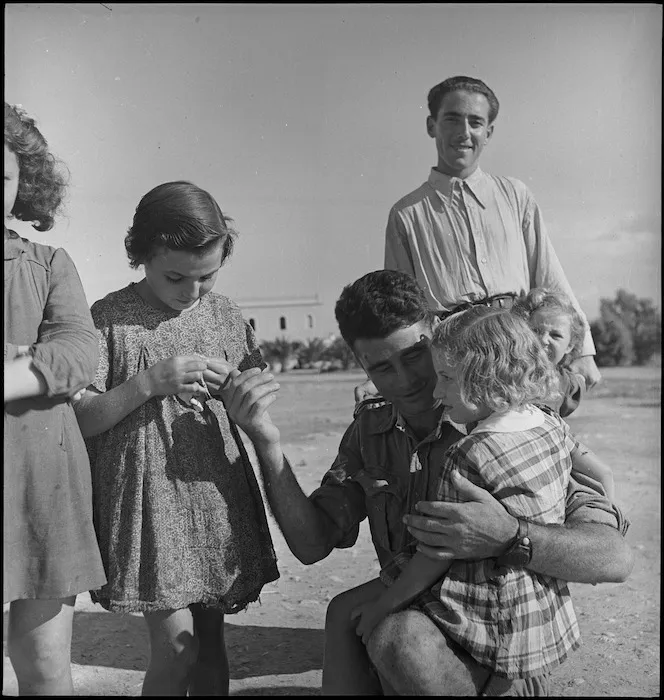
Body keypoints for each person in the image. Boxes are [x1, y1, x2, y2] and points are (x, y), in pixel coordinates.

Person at [215, 269, 632, 695]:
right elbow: (311, 543)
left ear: (437, 334)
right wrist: (267, 443)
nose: (406, 380)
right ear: (362, 367)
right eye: (382, 367)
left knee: (400, 637)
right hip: (430, 615)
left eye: (415, 356)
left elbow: (612, 558)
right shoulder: (372, 429)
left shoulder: (508, 424)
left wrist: (511, 536)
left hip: (502, 641)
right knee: (355, 616)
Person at [73, 181, 279, 696]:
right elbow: (82, 419)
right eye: (175, 276)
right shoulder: (109, 320)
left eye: (207, 276)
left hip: (214, 496)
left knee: (210, 643)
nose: (191, 291)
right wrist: (147, 383)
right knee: (176, 648)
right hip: (148, 507)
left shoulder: (226, 316)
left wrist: (242, 391)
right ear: (140, 255)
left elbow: (252, 397)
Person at [349, 304, 616, 688]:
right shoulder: (550, 424)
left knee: (383, 627)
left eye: (446, 377)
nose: (438, 393)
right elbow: (594, 474)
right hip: (539, 610)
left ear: (484, 374)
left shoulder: (470, 452)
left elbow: (436, 552)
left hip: (489, 610)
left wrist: (381, 609)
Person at [381, 74, 601, 392]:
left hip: (521, 347)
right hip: (457, 355)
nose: (464, 133)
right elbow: (403, 314)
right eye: (452, 119)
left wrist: (582, 350)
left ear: (489, 132)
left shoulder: (515, 194)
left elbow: (550, 275)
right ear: (431, 125)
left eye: (476, 122)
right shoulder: (406, 214)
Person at [4, 102, 107, 695]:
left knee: (43, 664)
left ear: (25, 185)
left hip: (40, 483)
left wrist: (17, 372)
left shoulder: (47, 265)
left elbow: (77, 352)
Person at [513, 287, 589, 420]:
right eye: (535, 331)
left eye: (556, 335)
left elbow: (580, 383)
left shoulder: (567, 384)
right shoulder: (508, 374)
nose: (543, 340)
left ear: (570, 345)